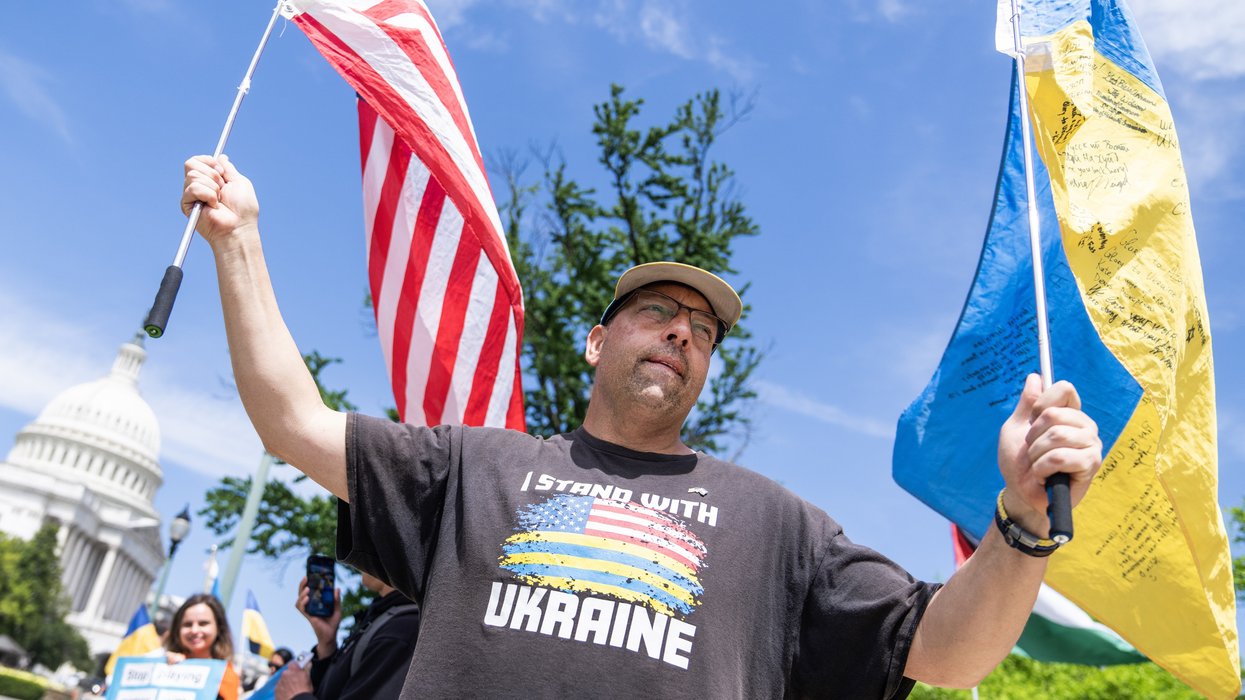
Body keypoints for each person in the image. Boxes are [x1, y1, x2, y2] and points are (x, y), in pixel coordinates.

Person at [181, 155, 1102, 698]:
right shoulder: (470, 468)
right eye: (660, 311)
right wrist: (239, 241)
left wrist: (1020, 524)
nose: (681, 333)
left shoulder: (776, 524)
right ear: (594, 340)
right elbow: (292, 419)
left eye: (701, 331)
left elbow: (948, 649)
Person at [274, 573, 420, 700]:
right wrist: (327, 644)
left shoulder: (399, 631)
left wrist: (297, 695)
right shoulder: (385, 619)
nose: (354, 558)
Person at [164, 594, 242, 700]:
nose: (194, 630)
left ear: (219, 628)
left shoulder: (226, 676)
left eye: (203, 623)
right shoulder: (163, 664)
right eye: (187, 624)